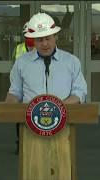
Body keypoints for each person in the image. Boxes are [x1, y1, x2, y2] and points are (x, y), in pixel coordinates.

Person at [5, 11, 87, 166]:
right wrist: (8, 107)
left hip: (63, 129)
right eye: (39, 40)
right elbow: (15, 92)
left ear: (56, 37)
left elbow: (79, 93)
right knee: (34, 169)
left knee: (61, 169)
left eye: (48, 38)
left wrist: (58, 109)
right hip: (31, 130)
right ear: (33, 41)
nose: (44, 44)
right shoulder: (21, 63)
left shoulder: (72, 62)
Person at [11, 21, 35, 154]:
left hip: (36, 89)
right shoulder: (18, 49)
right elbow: (13, 68)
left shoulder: (41, 48)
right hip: (22, 88)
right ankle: (20, 143)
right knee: (20, 117)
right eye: (27, 36)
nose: (29, 39)